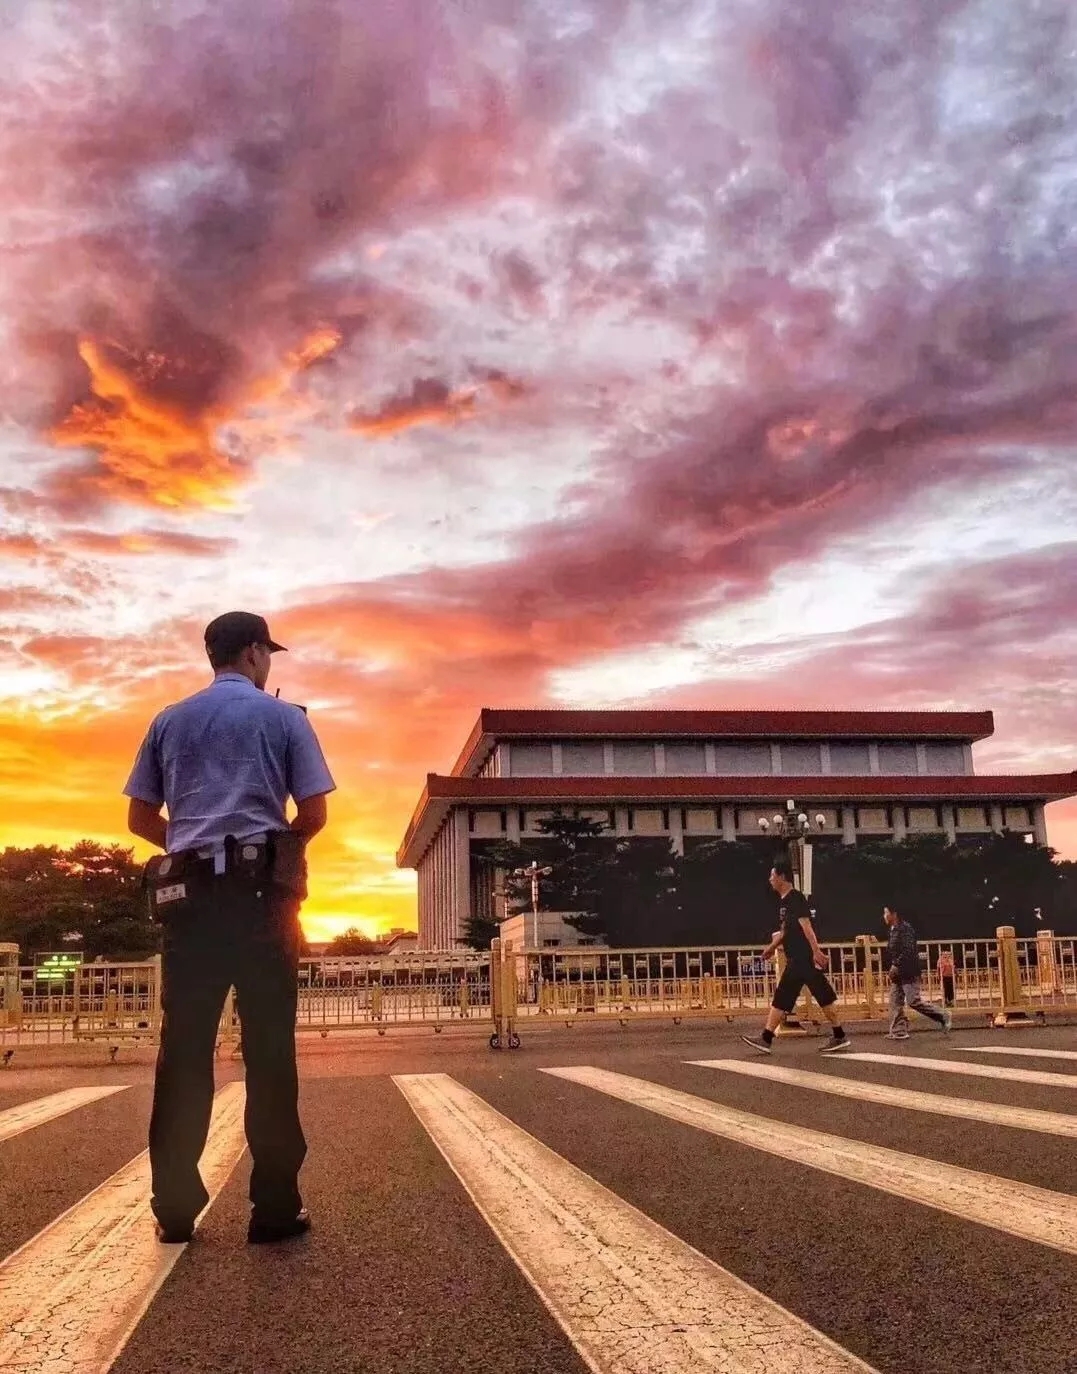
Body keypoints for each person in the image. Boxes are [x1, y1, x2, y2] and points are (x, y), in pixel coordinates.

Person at [124, 611, 336, 1245]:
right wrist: (275, 848)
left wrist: (190, 843)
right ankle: (273, 1208)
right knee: (269, 1050)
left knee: (184, 1050)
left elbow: (139, 818)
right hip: (260, 902)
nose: (269, 662)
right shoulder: (285, 719)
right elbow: (316, 811)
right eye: (266, 652)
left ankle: (174, 1207)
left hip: (190, 903)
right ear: (251, 653)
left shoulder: (168, 720)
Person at [741, 859, 851, 1055]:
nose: (770, 880)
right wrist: (770, 948)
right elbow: (785, 932)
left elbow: (806, 926)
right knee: (812, 996)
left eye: (772, 876)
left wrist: (816, 951)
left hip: (803, 958)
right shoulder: (784, 902)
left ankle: (766, 1038)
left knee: (798, 996)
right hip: (797, 959)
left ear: (782, 877)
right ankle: (838, 1035)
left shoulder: (796, 898)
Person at [883, 904, 951, 1040]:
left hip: (908, 971)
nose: (884, 916)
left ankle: (942, 1015)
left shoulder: (905, 929)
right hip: (898, 973)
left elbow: (908, 950)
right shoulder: (893, 930)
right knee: (895, 1001)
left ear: (894, 914)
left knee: (913, 1001)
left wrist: (896, 965)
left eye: (886, 913)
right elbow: (893, 949)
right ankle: (899, 1031)